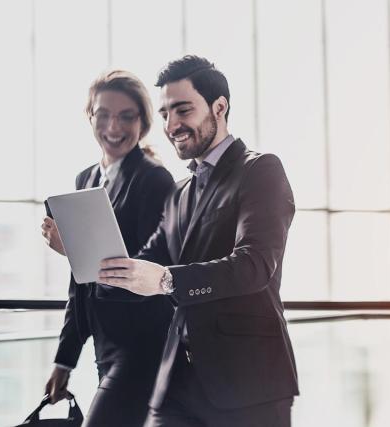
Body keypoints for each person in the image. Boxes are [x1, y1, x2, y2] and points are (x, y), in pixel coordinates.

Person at [95, 55, 298, 426]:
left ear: (219, 107)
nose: (171, 125)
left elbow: (254, 266)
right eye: (165, 113)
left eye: (182, 110)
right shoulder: (178, 193)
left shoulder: (261, 170)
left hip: (249, 384)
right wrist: (85, 253)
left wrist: (166, 280)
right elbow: (142, 263)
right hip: (177, 385)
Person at [41, 70, 175, 427]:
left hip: (143, 346)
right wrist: (64, 361)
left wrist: (72, 249)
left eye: (126, 116)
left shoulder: (153, 179)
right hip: (105, 346)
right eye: (103, 114)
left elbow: (148, 275)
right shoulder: (85, 179)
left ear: (143, 123)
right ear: (90, 117)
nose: (113, 126)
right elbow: (80, 283)